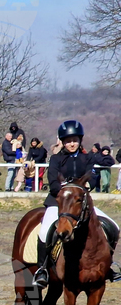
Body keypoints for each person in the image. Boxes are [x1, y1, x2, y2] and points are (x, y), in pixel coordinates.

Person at [33, 120, 121, 288]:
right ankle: (42, 269)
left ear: (80, 140)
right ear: (62, 142)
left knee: (113, 226)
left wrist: (88, 185)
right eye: (68, 141)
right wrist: (66, 191)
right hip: (58, 203)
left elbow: (92, 176)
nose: (71, 144)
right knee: (45, 232)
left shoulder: (88, 158)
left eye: (74, 140)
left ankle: (107, 265)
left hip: (81, 204)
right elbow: (52, 182)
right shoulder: (56, 159)